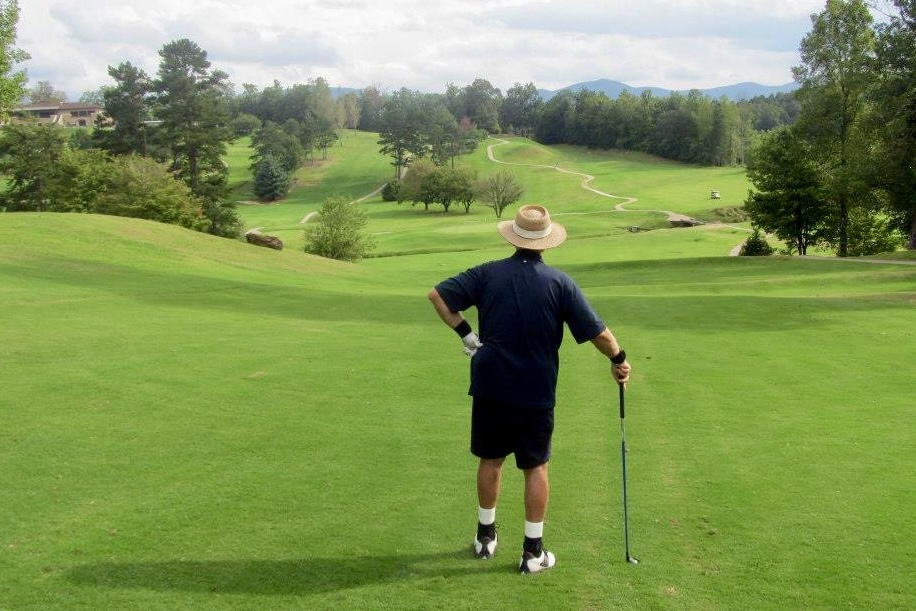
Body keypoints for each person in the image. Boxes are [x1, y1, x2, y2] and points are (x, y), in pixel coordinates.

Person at [428, 204, 631, 574]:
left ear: (514, 238)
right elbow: (598, 334)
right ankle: (532, 553)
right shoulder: (559, 283)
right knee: (535, 466)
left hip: (490, 382)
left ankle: (485, 538)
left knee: (491, 460)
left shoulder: (487, 273)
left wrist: (468, 336)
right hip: (534, 389)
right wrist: (619, 358)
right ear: (546, 242)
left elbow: (438, 296)